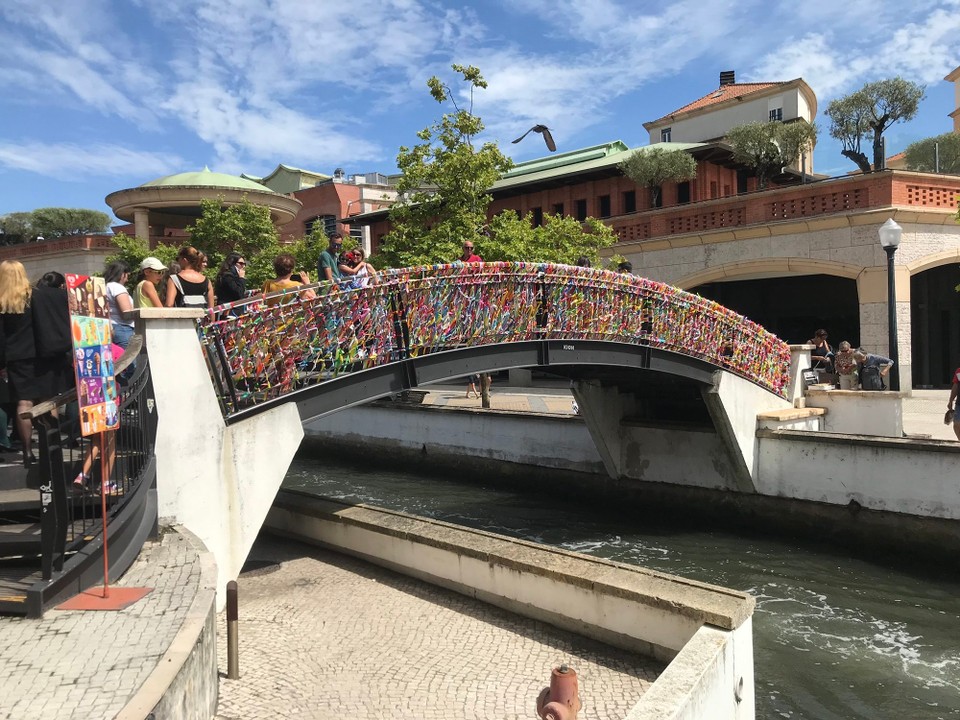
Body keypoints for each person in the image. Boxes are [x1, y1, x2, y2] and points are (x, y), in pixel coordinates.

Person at [0, 260, 73, 466]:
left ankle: (27, 452)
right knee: (48, 401)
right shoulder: (40, 295)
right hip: (45, 354)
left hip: (17, 358)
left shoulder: (3, 302)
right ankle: (52, 448)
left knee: (24, 403)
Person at [104, 261, 135, 350]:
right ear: (122, 274)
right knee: (129, 362)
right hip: (123, 329)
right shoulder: (117, 287)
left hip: (111, 328)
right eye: (127, 275)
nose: (127, 279)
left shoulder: (105, 286)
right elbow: (126, 313)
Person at [948, 365, 960, 441]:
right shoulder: (959, 371)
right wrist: (950, 401)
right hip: (959, 404)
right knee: (956, 424)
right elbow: (955, 386)